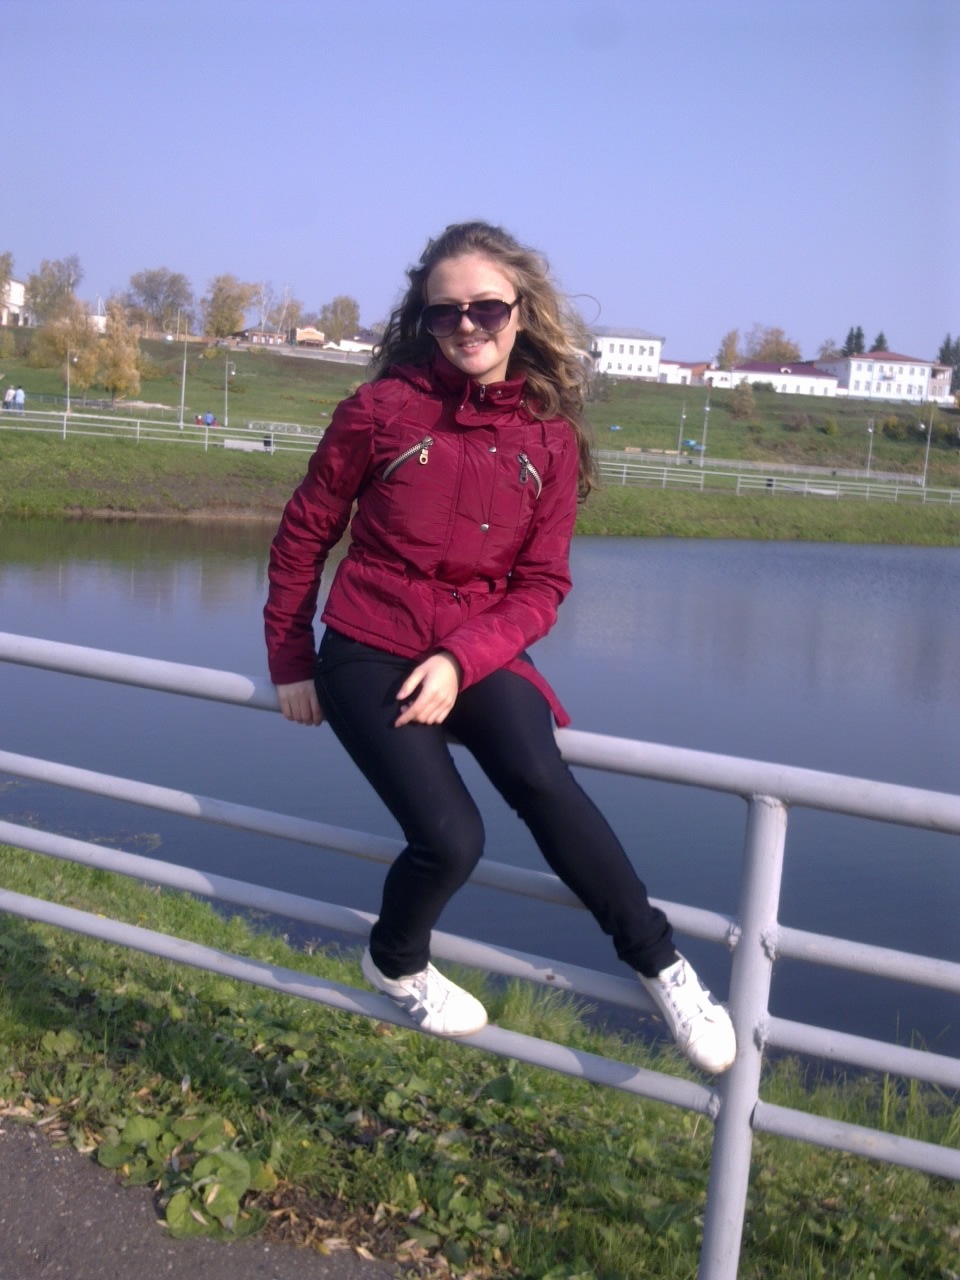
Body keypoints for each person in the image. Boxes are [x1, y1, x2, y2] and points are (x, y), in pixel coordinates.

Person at [264, 221, 736, 1073]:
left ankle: (660, 962)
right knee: (452, 840)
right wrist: (292, 660)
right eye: (445, 312)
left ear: (521, 311)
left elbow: (542, 585)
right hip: (371, 641)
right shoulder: (379, 411)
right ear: (423, 321)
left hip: (477, 645)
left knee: (540, 777)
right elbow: (304, 534)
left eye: (486, 307)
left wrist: (459, 660)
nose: (467, 326)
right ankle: (395, 960)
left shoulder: (549, 438)